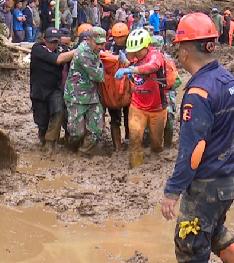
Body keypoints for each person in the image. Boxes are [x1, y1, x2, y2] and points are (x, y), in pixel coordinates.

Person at [161, 12, 234, 263]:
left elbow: (192, 153)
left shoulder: (197, 92)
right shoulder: (228, 80)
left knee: (190, 246)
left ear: (184, 50)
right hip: (228, 181)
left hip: (205, 185)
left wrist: (172, 191)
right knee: (214, 231)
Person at [115, 29, 167, 168]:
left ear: (146, 47)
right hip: (137, 106)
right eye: (133, 51)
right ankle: (136, 169)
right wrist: (125, 62)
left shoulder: (155, 56)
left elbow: (151, 67)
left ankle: (156, 167)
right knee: (135, 138)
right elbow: (133, 66)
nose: (135, 54)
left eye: (138, 51)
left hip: (157, 107)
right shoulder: (134, 59)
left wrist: (131, 70)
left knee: (156, 142)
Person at [30, 28, 77, 151]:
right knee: (42, 119)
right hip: (39, 89)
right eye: (50, 42)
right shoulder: (38, 49)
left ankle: (51, 141)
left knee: (58, 110)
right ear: (44, 40)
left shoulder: (62, 48)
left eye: (56, 42)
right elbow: (58, 59)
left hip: (55, 88)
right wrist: (79, 51)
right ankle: (43, 135)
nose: (53, 45)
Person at [64, 27, 107, 157]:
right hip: (76, 95)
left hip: (92, 96)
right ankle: (69, 146)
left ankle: (83, 152)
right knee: (76, 132)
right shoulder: (84, 53)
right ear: (89, 40)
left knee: (96, 130)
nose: (100, 46)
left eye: (102, 43)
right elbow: (97, 76)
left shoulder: (94, 50)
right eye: (97, 43)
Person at [106, 22, 131, 150]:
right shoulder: (109, 47)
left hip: (128, 85)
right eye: (117, 37)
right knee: (115, 117)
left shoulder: (132, 47)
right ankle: (117, 146)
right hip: (113, 86)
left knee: (129, 116)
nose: (119, 39)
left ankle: (129, 138)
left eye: (122, 37)